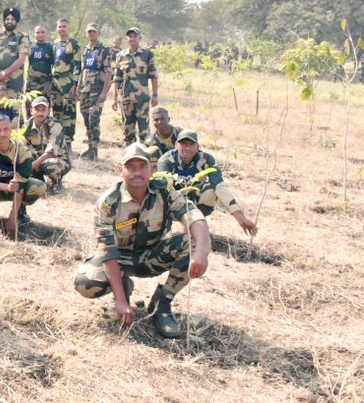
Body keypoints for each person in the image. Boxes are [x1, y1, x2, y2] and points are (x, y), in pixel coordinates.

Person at [74, 143, 212, 338]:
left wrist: (201, 252)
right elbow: (107, 252)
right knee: (84, 282)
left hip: (152, 256)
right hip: (119, 259)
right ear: (120, 170)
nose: (137, 172)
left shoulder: (165, 192)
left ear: (152, 169)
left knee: (195, 242)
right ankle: (122, 287)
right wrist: (122, 301)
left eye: (142, 166)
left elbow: (194, 216)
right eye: (131, 167)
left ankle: (162, 304)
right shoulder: (108, 202)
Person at [157, 131, 258, 235]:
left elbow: (219, 186)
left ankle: (197, 224)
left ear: (197, 147)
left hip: (194, 198)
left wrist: (239, 217)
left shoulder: (206, 159)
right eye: (183, 144)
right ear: (176, 145)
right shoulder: (166, 161)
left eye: (191, 144)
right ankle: (166, 230)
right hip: (174, 202)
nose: (187, 148)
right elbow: (164, 189)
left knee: (211, 190)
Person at [0, 113, 46, 230]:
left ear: (11, 130)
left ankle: (21, 210)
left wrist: (12, 217)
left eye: (6, 129)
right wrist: (7, 187)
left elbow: (21, 183)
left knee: (39, 186)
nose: (2, 134)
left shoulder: (21, 150)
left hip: (18, 190)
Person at [112, 26, 159, 144]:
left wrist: (155, 95)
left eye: (135, 36)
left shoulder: (147, 55)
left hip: (142, 98)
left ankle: (145, 157)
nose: (132, 38)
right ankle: (130, 156)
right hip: (126, 98)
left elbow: (153, 76)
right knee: (128, 130)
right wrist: (114, 98)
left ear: (139, 38)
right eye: (130, 36)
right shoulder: (121, 56)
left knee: (144, 131)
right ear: (127, 38)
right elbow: (117, 78)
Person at [18, 97, 70, 194]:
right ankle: (38, 181)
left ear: (48, 111)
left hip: (58, 161)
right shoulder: (27, 126)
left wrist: (31, 166)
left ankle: (56, 184)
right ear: (31, 111)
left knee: (50, 163)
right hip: (38, 160)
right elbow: (21, 147)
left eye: (43, 110)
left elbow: (50, 153)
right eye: (37, 109)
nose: (40, 113)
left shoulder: (55, 125)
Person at [78, 24, 114, 160]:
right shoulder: (85, 50)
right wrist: (78, 89)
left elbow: (108, 72)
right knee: (86, 118)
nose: (91, 34)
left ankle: (94, 150)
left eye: (94, 31)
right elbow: (82, 71)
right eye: (89, 32)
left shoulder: (104, 50)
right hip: (84, 90)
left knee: (94, 120)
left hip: (97, 91)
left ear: (98, 33)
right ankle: (89, 147)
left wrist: (105, 92)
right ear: (86, 34)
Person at [51, 18, 81, 150]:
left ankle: (68, 142)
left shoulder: (73, 43)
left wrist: (75, 84)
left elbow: (78, 65)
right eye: (59, 27)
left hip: (68, 83)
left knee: (69, 113)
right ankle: (58, 141)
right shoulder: (56, 43)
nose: (61, 29)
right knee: (57, 112)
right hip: (55, 83)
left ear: (68, 28)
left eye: (64, 26)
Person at [0, 7, 28, 96]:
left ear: (16, 21)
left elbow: (21, 60)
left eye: (12, 19)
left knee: (14, 109)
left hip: (14, 81)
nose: (9, 21)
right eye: (7, 19)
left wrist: (4, 73)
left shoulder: (22, 37)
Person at [25, 24, 54, 101]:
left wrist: (51, 83)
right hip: (31, 83)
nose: (40, 34)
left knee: (43, 107)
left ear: (46, 33)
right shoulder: (30, 47)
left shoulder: (51, 47)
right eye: (38, 32)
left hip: (45, 83)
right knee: (29, 107)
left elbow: (55, 66)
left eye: (42, 32)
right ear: (34, 34)